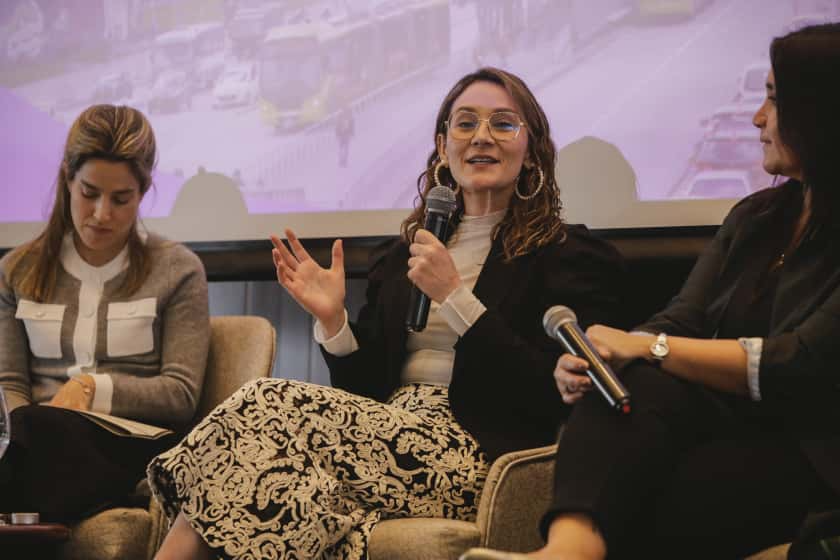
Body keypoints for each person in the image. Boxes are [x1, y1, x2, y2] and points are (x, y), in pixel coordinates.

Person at [147, 67, 624, 560]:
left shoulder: (567, 255)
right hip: (382, 434)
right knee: (267, 478)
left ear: (531, 150)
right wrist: (334, 322)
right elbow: (366, 390)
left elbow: (550, 391)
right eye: (466, 123)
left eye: (503, 124)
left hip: (476, 453)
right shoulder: (403, 256)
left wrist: (456, 298)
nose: (482, 136)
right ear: (443, 147)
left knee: (264, 401)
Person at [461, 23, 840, 560]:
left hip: (811, 449)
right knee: (620, 384)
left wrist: (648, 347)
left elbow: (797, 363)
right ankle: (566, 551)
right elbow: (681, 318)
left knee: (662, 494)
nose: (758, 117)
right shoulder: (757, 216)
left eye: (775, 100)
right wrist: (604, 356)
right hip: (723, 423)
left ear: (820, 111)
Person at [0, 104, 210, 521]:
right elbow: (9, 384)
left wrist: (92, 388)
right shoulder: (15, 271)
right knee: (33, 431)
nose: (102, 214)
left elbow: (181, 395)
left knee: (43, 436)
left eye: (121, 199)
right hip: (36, 440)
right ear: (67, 180)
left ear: (143, 192)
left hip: (131, 446)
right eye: (89, 193)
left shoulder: (179, 270)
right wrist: (17, 435)